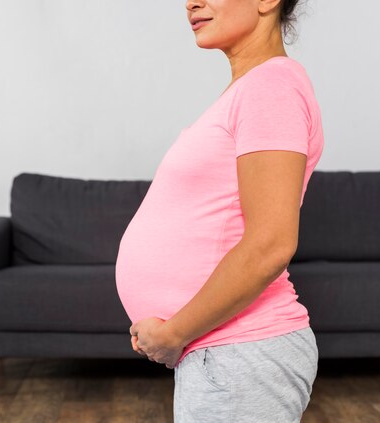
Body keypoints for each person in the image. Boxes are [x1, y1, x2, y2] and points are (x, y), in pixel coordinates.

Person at [114, 0, 323, 421]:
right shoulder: (254, 88)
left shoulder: (271, 87)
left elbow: (270, 243)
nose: (191, 2)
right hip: (227, 354)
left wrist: (174, 332)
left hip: (240, 354)